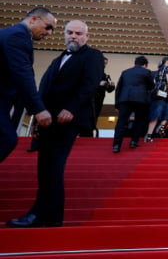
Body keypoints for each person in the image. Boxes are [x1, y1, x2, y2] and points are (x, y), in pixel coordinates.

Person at [7, 20, 104, 228]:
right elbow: (44, 88)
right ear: (64, 34)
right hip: (48, 121)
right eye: (70, 32)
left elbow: (90, 85)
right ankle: (51, 217)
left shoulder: (92, 55)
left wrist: (72, 109)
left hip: (68, 120)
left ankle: (40, 214)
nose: (74, 36)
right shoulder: (58, 59)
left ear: (87, 36)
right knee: (47, 167)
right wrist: (36, 118)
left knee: (51, 167)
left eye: (79, 33)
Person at [0, 7, 54, 162]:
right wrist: (38, 109)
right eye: (48, 27)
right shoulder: (18, 36)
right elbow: (23, 74)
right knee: (7, 138)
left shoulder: (9, 34)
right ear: (34, 19)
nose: (49, 33)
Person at [112, 56, 154, 153]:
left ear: (135, 63)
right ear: (145, 65)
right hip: (140, 100)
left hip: (125, 99)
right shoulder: (147, 72)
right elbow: (151, 86)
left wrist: (117, 104)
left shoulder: (125, 72)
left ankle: (116, 145)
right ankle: (133, 141)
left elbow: (118, 88)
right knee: (139, 121)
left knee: (121, 122)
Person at [146, 56, 168, 142]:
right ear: (166, 62)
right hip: (162, 94)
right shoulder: (167, 68)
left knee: (156, 114)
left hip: (156, 94)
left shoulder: (159, 70)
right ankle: (161, 127)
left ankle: (149, 136)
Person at [86, 56, 115, 137]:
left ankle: (92, 130)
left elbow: (108, 90)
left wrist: (112, 86)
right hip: (91, 99)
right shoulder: (91, 73)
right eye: (103, 63)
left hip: (100, 99)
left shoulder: (105, 76)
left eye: (106, 64)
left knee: (96, 115)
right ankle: (88, 133)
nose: (104, 65)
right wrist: (98, 84)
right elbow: (86, 85)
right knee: (90, 116)